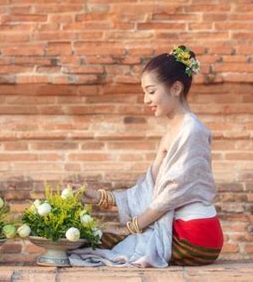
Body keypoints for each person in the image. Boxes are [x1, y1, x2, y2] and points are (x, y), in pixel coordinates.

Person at [70, 45, 223, 267]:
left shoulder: (191, 130)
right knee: (96, 238)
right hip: (179, 229)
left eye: (151, 91)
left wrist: (135, 227)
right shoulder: (174, 129)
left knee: (100, 242)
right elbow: (148, 188)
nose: (146, 100)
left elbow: (172, 193)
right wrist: (102, 197)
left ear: (176, 87)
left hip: (195, 238)